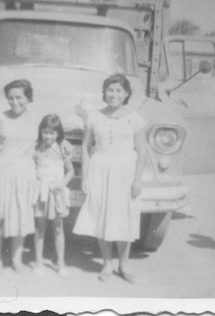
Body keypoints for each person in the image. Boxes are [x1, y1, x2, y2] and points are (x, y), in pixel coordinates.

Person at [73, 74, 147, 283]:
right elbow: (86, 147)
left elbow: (141, 151)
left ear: (126, 94)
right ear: (104, 93)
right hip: (100, 170)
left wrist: (138, 180)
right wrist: (85, 176)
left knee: (125, 218)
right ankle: (107, 263)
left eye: (119, 91)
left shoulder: (136, 118)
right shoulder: (94, 117)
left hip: (126, 172)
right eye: (110, 90)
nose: (114, 94)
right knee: (102, 216)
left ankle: (123, 264)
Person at [0, 79, 38, 273]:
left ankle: (17, 260)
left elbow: (40, 148)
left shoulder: (35, 119)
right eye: (10, 98)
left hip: (24, 173)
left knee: (21, 217)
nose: (14, 102)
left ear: (28, 97)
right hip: (1, 172)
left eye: (19, 97)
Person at [32, 115, 75, 278]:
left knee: (58, 228)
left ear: (58, 134)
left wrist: (62, 183)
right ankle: (38, 262)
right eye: (45, 132)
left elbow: (70, 170)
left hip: (56, 193)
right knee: (40, 227)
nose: (48, 136)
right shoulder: (36, 149)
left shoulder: (62, 147)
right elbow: (32, 169)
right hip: (42, 193)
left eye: (52, 133)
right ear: (41, 132)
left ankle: (61, 263)